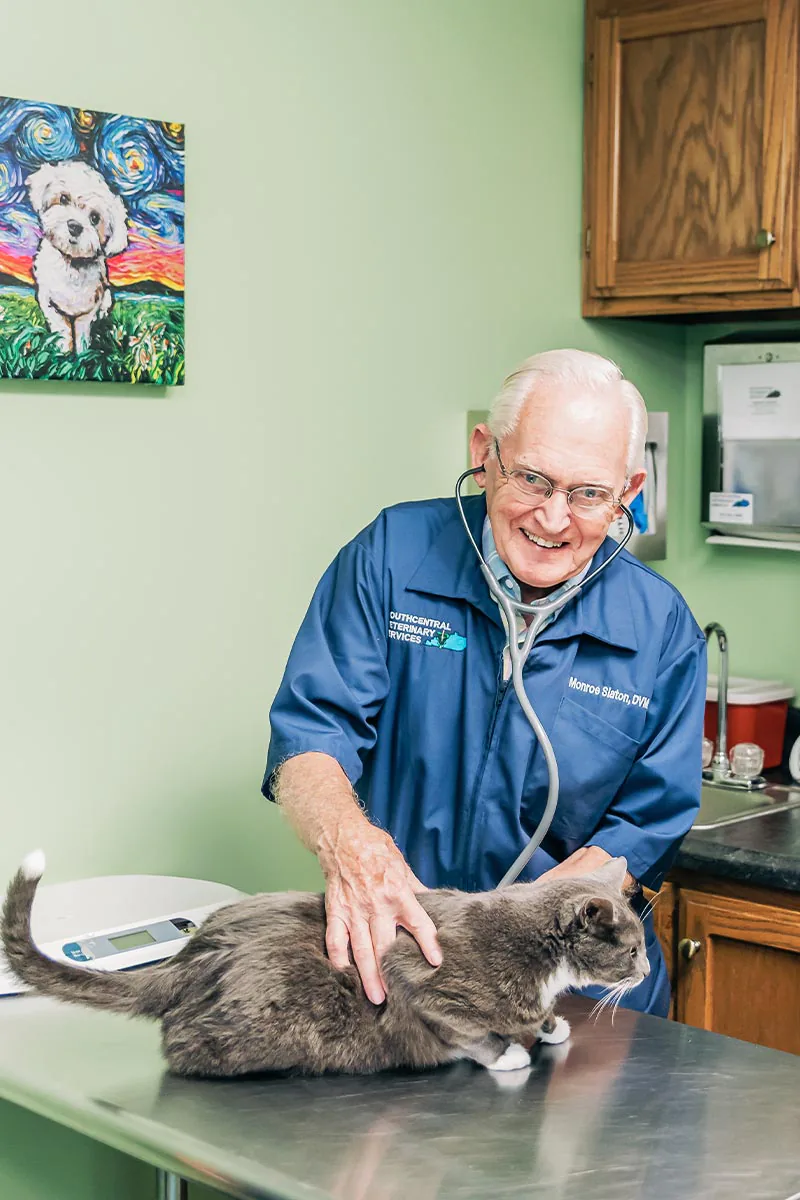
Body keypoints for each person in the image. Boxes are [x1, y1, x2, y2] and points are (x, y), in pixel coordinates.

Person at [263, 349, 706, 1016]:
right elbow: (310, 737)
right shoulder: (392, 556)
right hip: (411, 965)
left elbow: (650, 819)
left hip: (583, 993)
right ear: (484, 452)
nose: (553, 519)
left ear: (629, 493)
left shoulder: (661, 627)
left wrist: (544, 915)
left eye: (588, 494)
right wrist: (353, 846)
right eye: (531, 478)